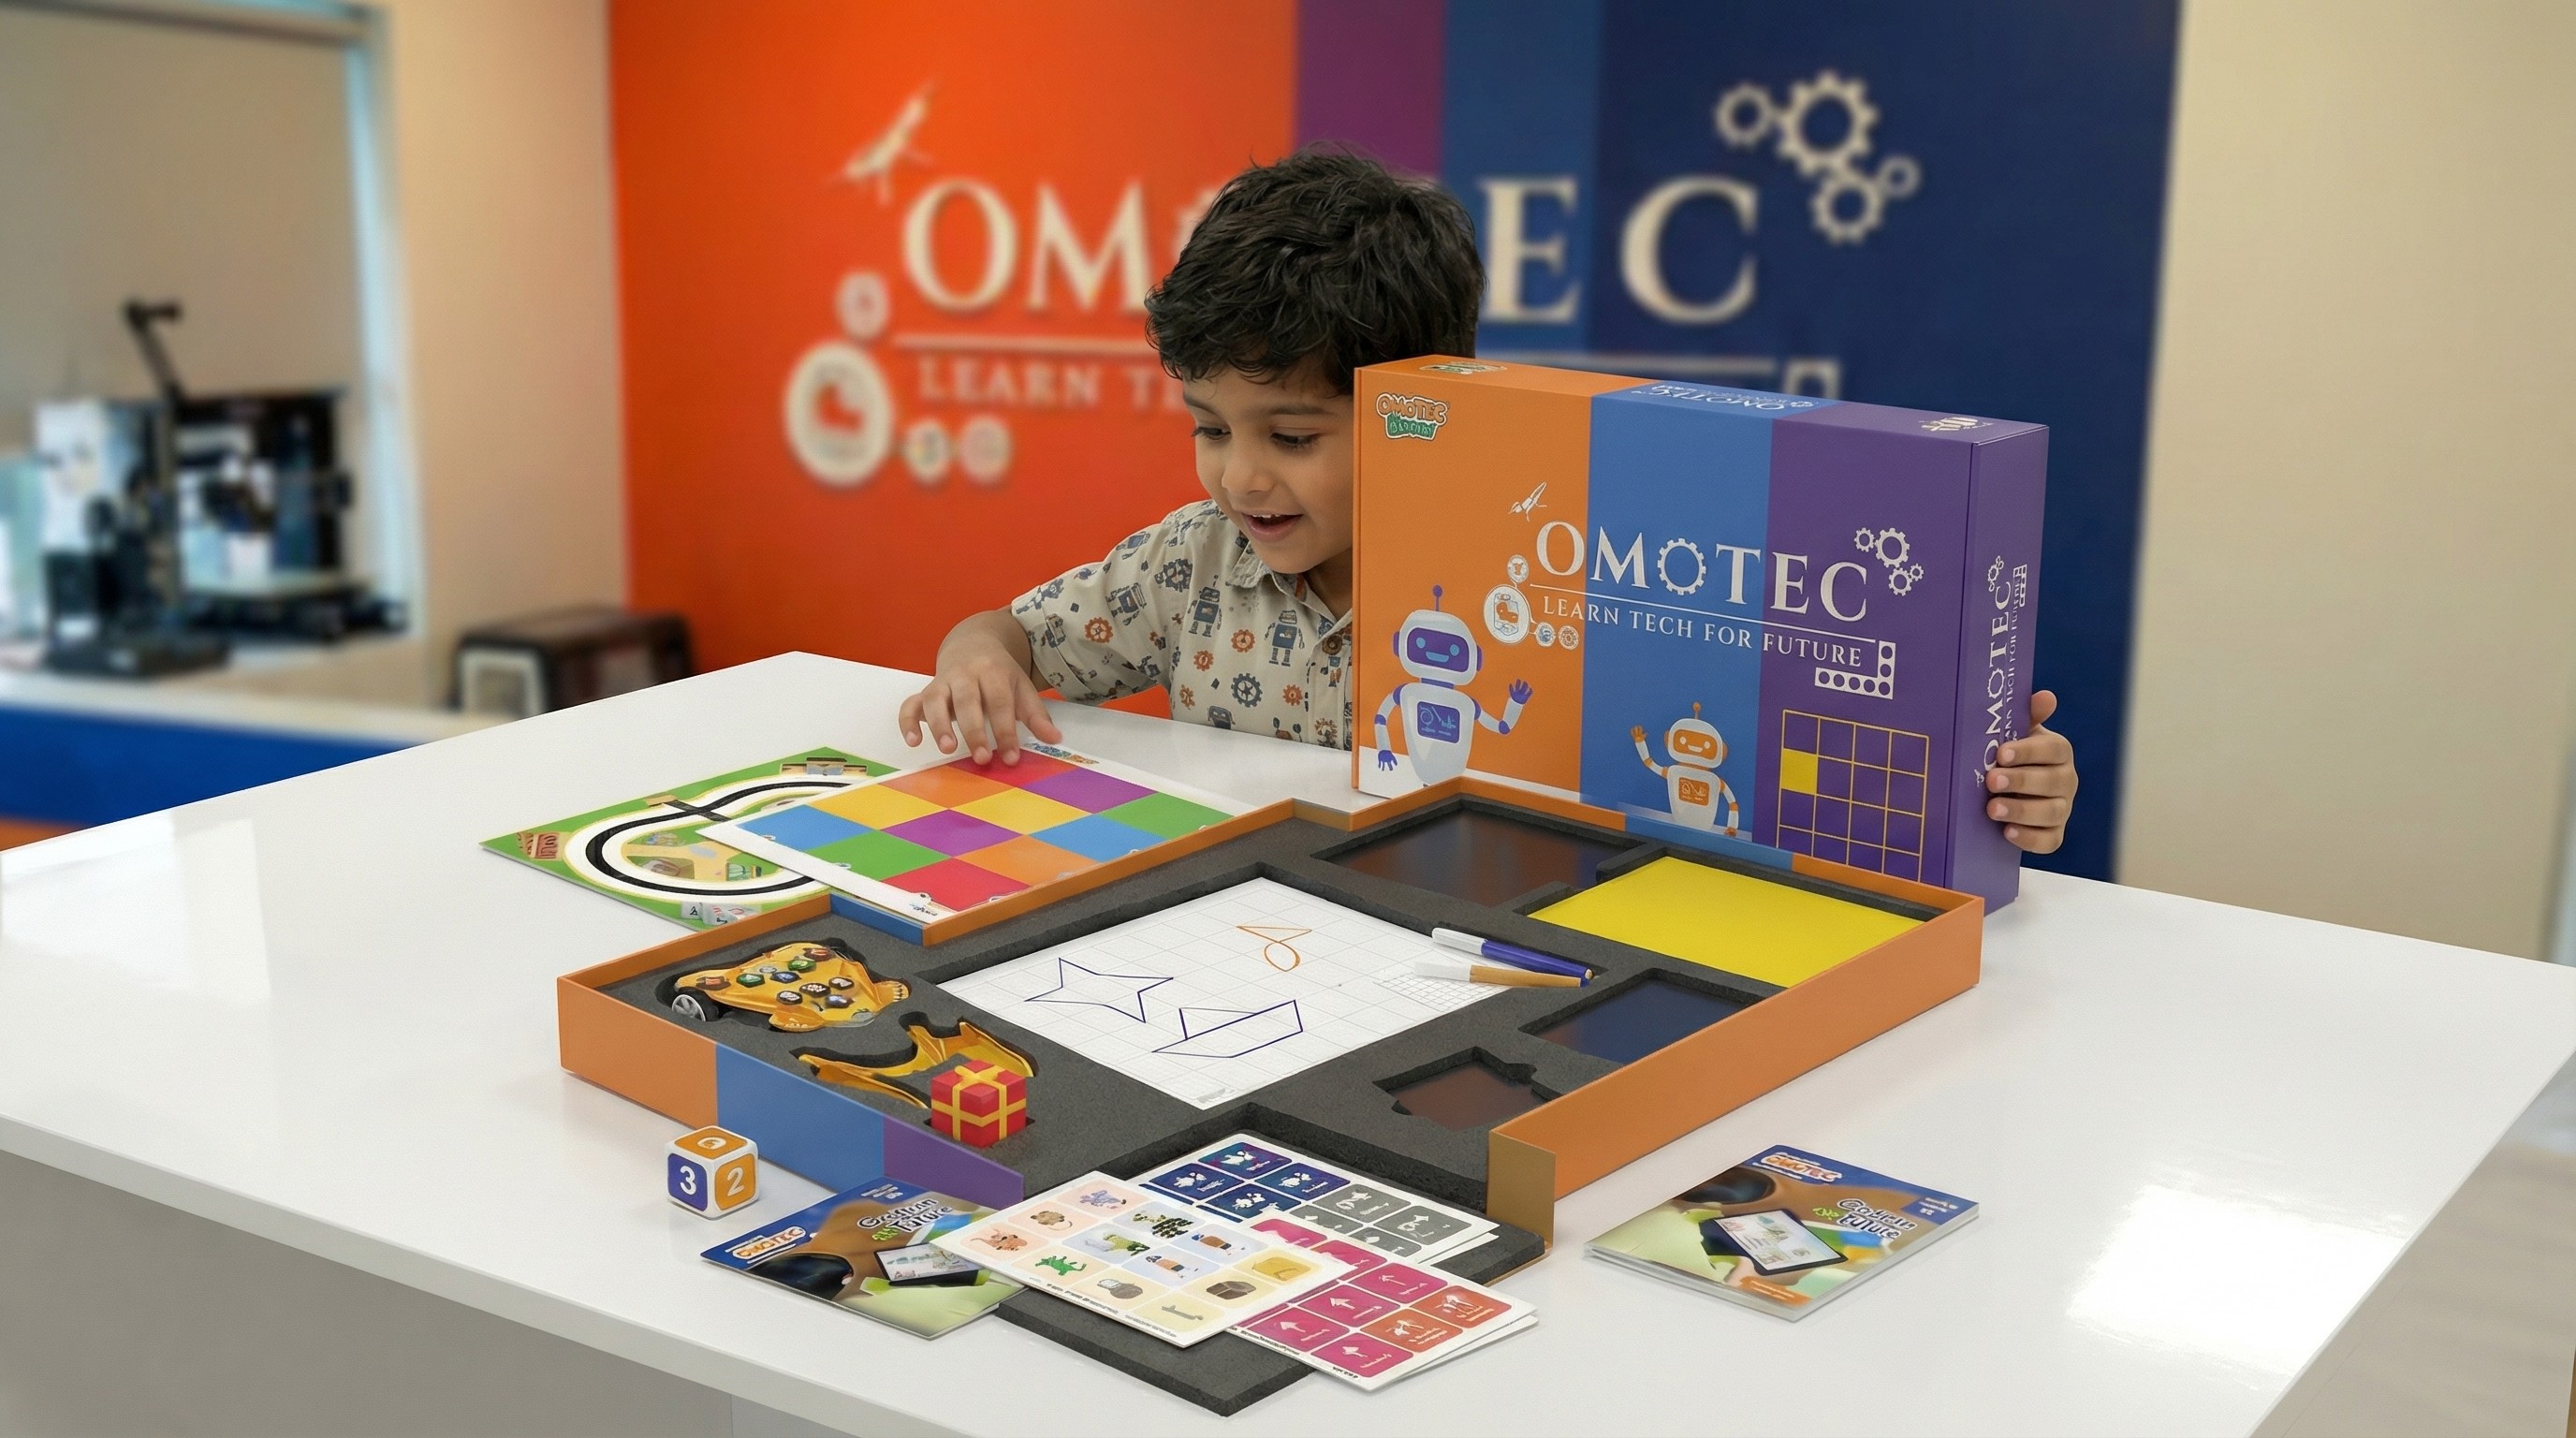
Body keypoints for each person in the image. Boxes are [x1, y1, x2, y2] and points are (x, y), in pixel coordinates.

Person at [897, 147, 2080, 857]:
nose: (1239, 477)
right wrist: (977, 660)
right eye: (1210, 428)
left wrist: (2003, 795)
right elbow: (1010, 634)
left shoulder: (1548, 580)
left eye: (1292, 437)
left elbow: (1762, 769)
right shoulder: (1190, 563)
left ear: (1425, 405)